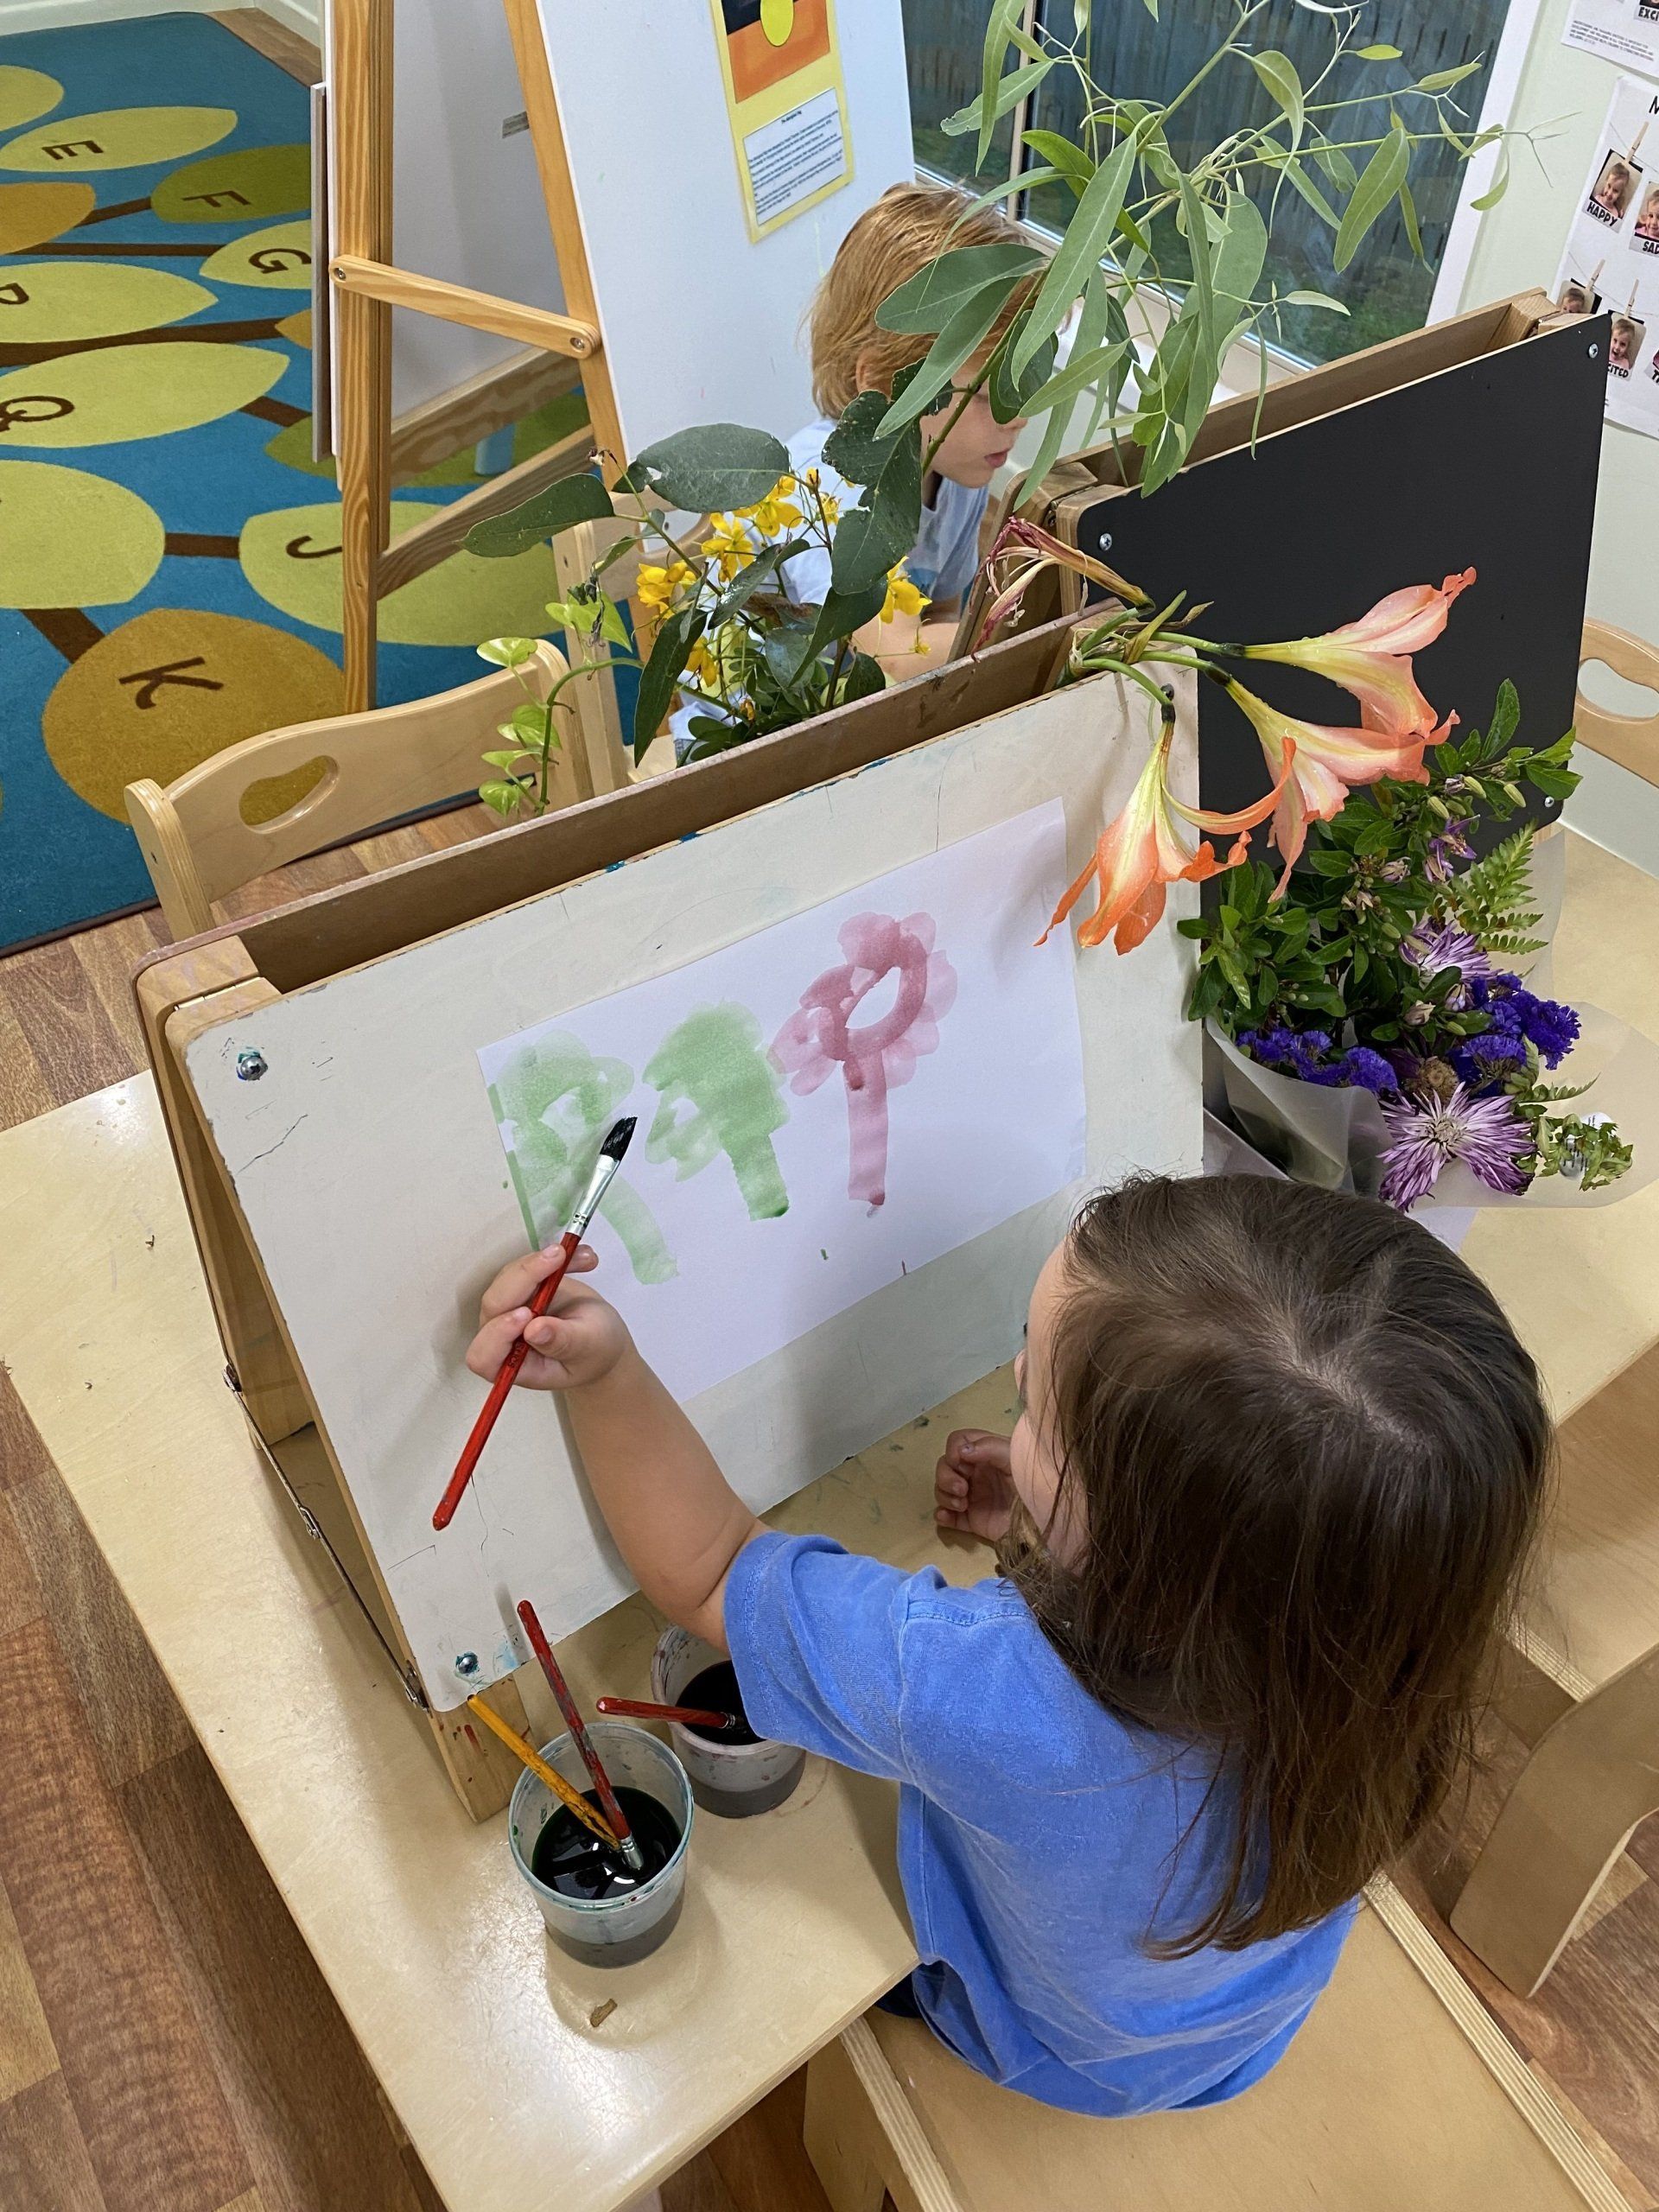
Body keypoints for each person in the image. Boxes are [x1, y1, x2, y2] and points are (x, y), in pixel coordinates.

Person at [462, 1173, 1550, 2116]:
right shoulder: (1395, 1657)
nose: (1018, 1375)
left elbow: (709, 1569)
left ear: (1135, 1559)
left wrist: (605, 1374)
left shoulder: (972, 1687)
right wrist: (1051, 1539)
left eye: (1034, 1410)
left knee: (834, 1965)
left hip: (1051, 2051)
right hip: (1236, 2036)